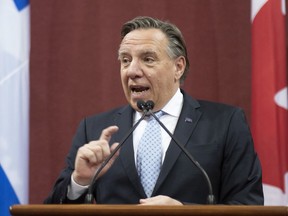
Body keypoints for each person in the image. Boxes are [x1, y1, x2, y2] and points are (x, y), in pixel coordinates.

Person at [44, 16, 263, 205]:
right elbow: (54, 208)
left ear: (178, 67)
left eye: (147, 59)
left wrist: (187, 212)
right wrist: (80, 181)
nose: (132, 71)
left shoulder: (225, 123)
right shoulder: (93, 129)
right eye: (125, 60)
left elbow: (248, 205)